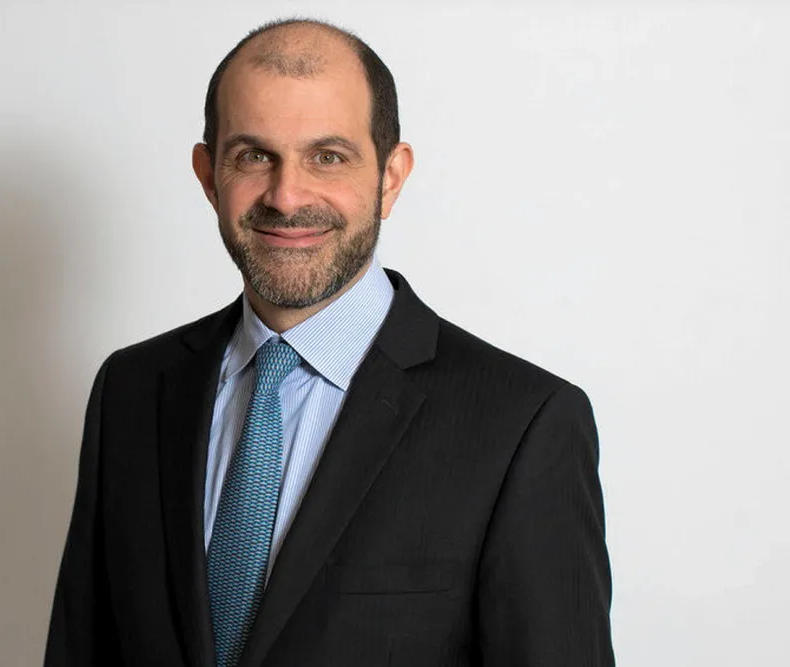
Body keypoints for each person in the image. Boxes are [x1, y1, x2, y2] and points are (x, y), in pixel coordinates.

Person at [44, 17, 614, 667]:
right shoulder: (131, 391)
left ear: (391, 177)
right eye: (254, 156)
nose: (287, 197)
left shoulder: (523, 424)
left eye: (328, 156)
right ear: (208, 175)